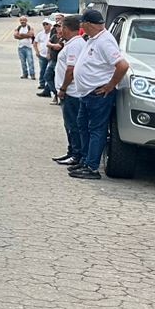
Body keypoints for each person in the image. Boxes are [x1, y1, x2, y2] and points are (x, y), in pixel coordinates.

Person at [61, 9, 129, 181]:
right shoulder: (94, 39)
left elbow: (122, 65)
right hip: (87, 93)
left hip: (98, 94)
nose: (81, 26)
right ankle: (85, 161)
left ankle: (92, 167)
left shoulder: (105, 41)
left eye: (83, 23)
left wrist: (110, 86)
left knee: (96, 130)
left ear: (89, 24)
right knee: (82, 126)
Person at [51, 15, 85, 168]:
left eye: (61, 27)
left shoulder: (74, 45)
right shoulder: (72, 43)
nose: (60, 31)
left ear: (66, 28)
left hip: (71, 92)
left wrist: (63, 88)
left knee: (73, 125)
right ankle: (71, 151)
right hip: (69, 92)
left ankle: (76, 154)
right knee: (69, 124)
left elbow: (71, 70)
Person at [33, 19, 54, 97]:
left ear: (50, 25)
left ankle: (48, 87)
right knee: (42, 70)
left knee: (48, 73)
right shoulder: (40, 34)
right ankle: (42, 84)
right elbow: (35, 43)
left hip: (50, 56)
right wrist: (37, 51)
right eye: (44, 24)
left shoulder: (52, 34)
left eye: (47, 24)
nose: (45, 26)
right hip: (42, 55)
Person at [14, 16, 36, 80]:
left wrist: (21, 35)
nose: (22, 21)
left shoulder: (29, 28)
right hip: (20, 48)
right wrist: (26, 35)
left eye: (24, 20)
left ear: (26, 21)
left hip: (28, 47)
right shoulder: (18, 28)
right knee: (23, 62)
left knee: (30, 61)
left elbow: (31, 34)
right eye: (21, 20)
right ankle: (25, 74)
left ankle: (32, 75)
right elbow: (15, 36)